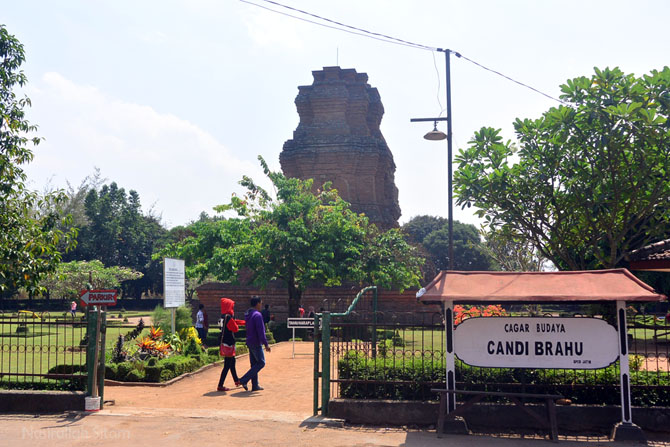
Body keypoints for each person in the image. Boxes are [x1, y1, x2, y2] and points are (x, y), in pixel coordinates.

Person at [238, 296, 271, 391]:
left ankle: (255, 385)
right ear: (257, 304)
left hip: (249, 341)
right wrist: (266, 344)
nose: (261, 305)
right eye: (261, 303)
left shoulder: (248, 314)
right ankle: (244, 379)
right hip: (256, 342)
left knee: (254, 364)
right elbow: (261, 331)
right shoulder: (257, 315)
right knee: (261, 363)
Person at [217, 298, 245, 392]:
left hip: (225, 342)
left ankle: (236, 380)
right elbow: (235, 328)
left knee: (232, 362)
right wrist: (238, 323)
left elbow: (233, 323)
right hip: (228, 343)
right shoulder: (228, 317)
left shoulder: (222, 316)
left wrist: (244, 322)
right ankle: (220, 385)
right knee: (227, 365)